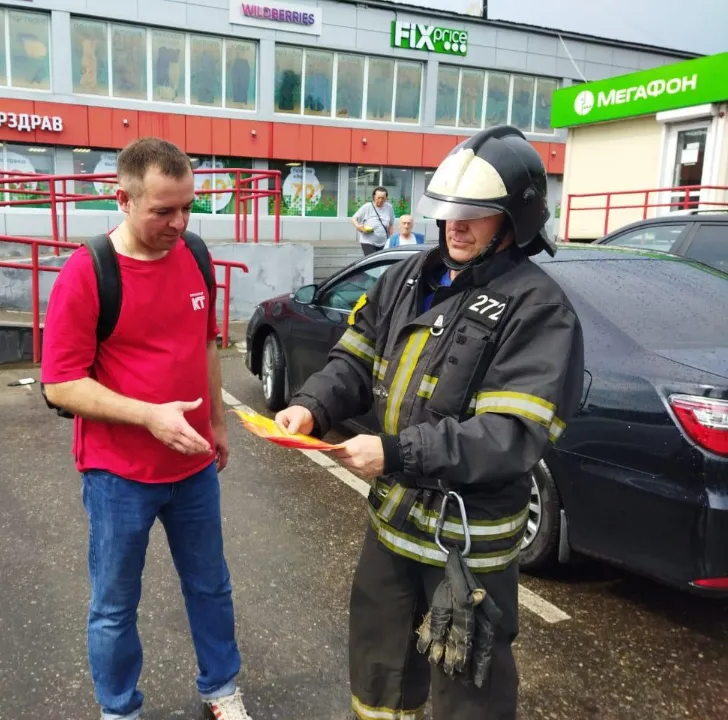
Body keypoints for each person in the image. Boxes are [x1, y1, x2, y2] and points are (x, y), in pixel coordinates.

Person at [275, 125, 585, 720]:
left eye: (474, 214)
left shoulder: (538, 308)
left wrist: (395, 452)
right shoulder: (406, 277)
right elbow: (355, 359)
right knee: (378, 669)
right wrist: (312, 404)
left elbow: (510, 436)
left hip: (468, 542)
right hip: (393, 522)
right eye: (447, 212)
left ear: (515, 221)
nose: (455, 226)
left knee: (470, 689)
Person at [41, 137, 252, 720]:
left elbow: (205, 343)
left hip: (193, 467)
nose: (179, 223)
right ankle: (119, 710)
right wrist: (149, 415)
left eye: (187, 207)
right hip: (119, 474)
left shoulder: (195, 255)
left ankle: (220, 688)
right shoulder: (88, 272)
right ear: (123, 200)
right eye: (163, 210)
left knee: (211, 586)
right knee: (114, 606)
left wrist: (217, 422)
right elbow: (60, 384)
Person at [351, 186, 395, 255]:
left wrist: (391, 237)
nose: (380, 200)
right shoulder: (367, 207)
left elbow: (391, 223)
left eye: (383, 198)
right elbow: (354, 218)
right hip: (368, 241)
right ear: (374, 197)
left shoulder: (389, 207)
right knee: (372, 258)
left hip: (384, 241)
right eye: (378, 198)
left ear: (386, 198)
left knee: (382, 260)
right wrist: (358, 226)